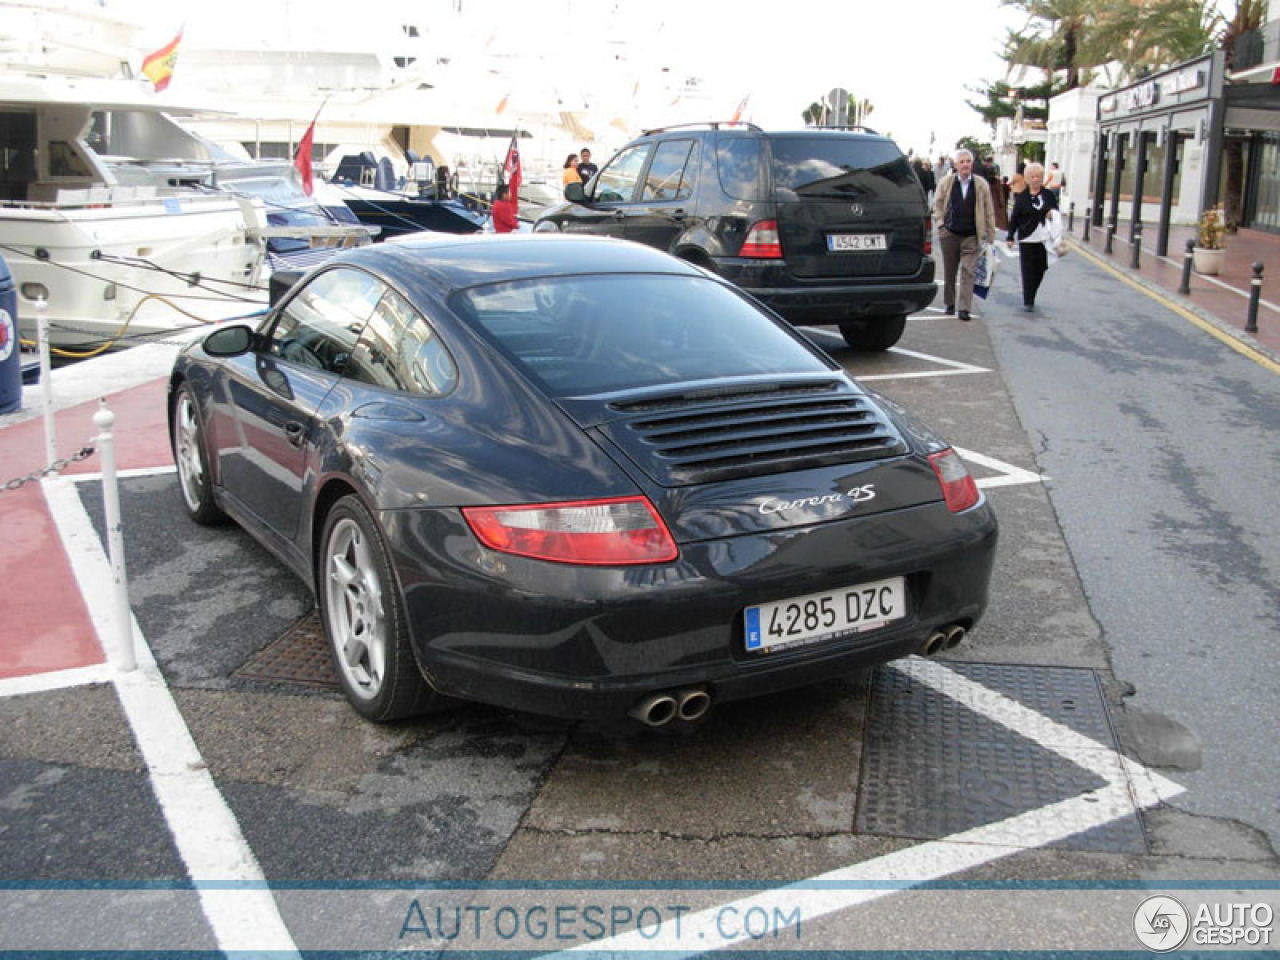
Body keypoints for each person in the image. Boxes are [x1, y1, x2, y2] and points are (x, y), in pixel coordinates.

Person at [931, 148, 997, 322]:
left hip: (972, 235)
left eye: (968, 161)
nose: (966, 165)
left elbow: (989, 210)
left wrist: (990, 235)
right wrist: (941, 225)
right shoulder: (946, 182)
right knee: (950, 271)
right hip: (950, 234)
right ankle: (949, 304)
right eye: (962, 162)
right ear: (955, 165)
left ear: (972, 164)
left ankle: (964, 308)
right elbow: (937, 204)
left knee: (968, 271)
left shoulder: (981, 184)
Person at [1006, 161, 1060, 313]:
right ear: (1027, 179)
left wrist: (1051, 214)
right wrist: (1010, 236)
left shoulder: (1048, 195)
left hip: (1043, 238)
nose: (1035, 179)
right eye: (1032, 176)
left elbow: (1056, 212)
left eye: (1038, 176)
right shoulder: (1022, 197)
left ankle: (1032, 292)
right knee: (1027, 270)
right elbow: (1015, 217)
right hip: (1027, 238)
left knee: (1041, 267)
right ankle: (1028, 299)